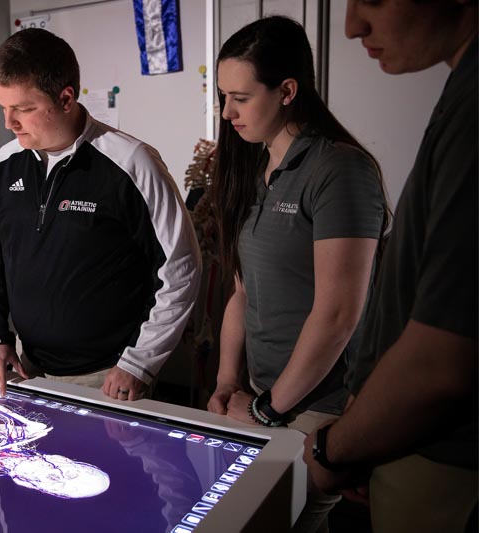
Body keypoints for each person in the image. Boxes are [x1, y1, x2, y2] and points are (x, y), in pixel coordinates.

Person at [204, 16, 390, 532]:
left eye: (240, 97)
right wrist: (226, 382)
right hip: (262, 396)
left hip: (317, 408)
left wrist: (267, 410)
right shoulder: (254, 169)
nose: (226, 112)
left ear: (287, 91)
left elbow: (337, 314)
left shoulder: (340, 170)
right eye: (223, 96)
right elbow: (242, 292)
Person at [303, 3, 477, 532]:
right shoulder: (460, 91)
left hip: (444, 457)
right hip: (396, 438)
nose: (353, 25)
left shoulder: (471, 108)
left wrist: (337, 449)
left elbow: (440, 364)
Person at [0, 28, 201, 401]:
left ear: (66, 98)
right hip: (25, 368)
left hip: (108, 376)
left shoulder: (131, 162)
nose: (8, 123)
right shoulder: (4, 164)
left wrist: (139, 362)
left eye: (23, 109)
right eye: (3, 107)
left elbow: (181, 268)